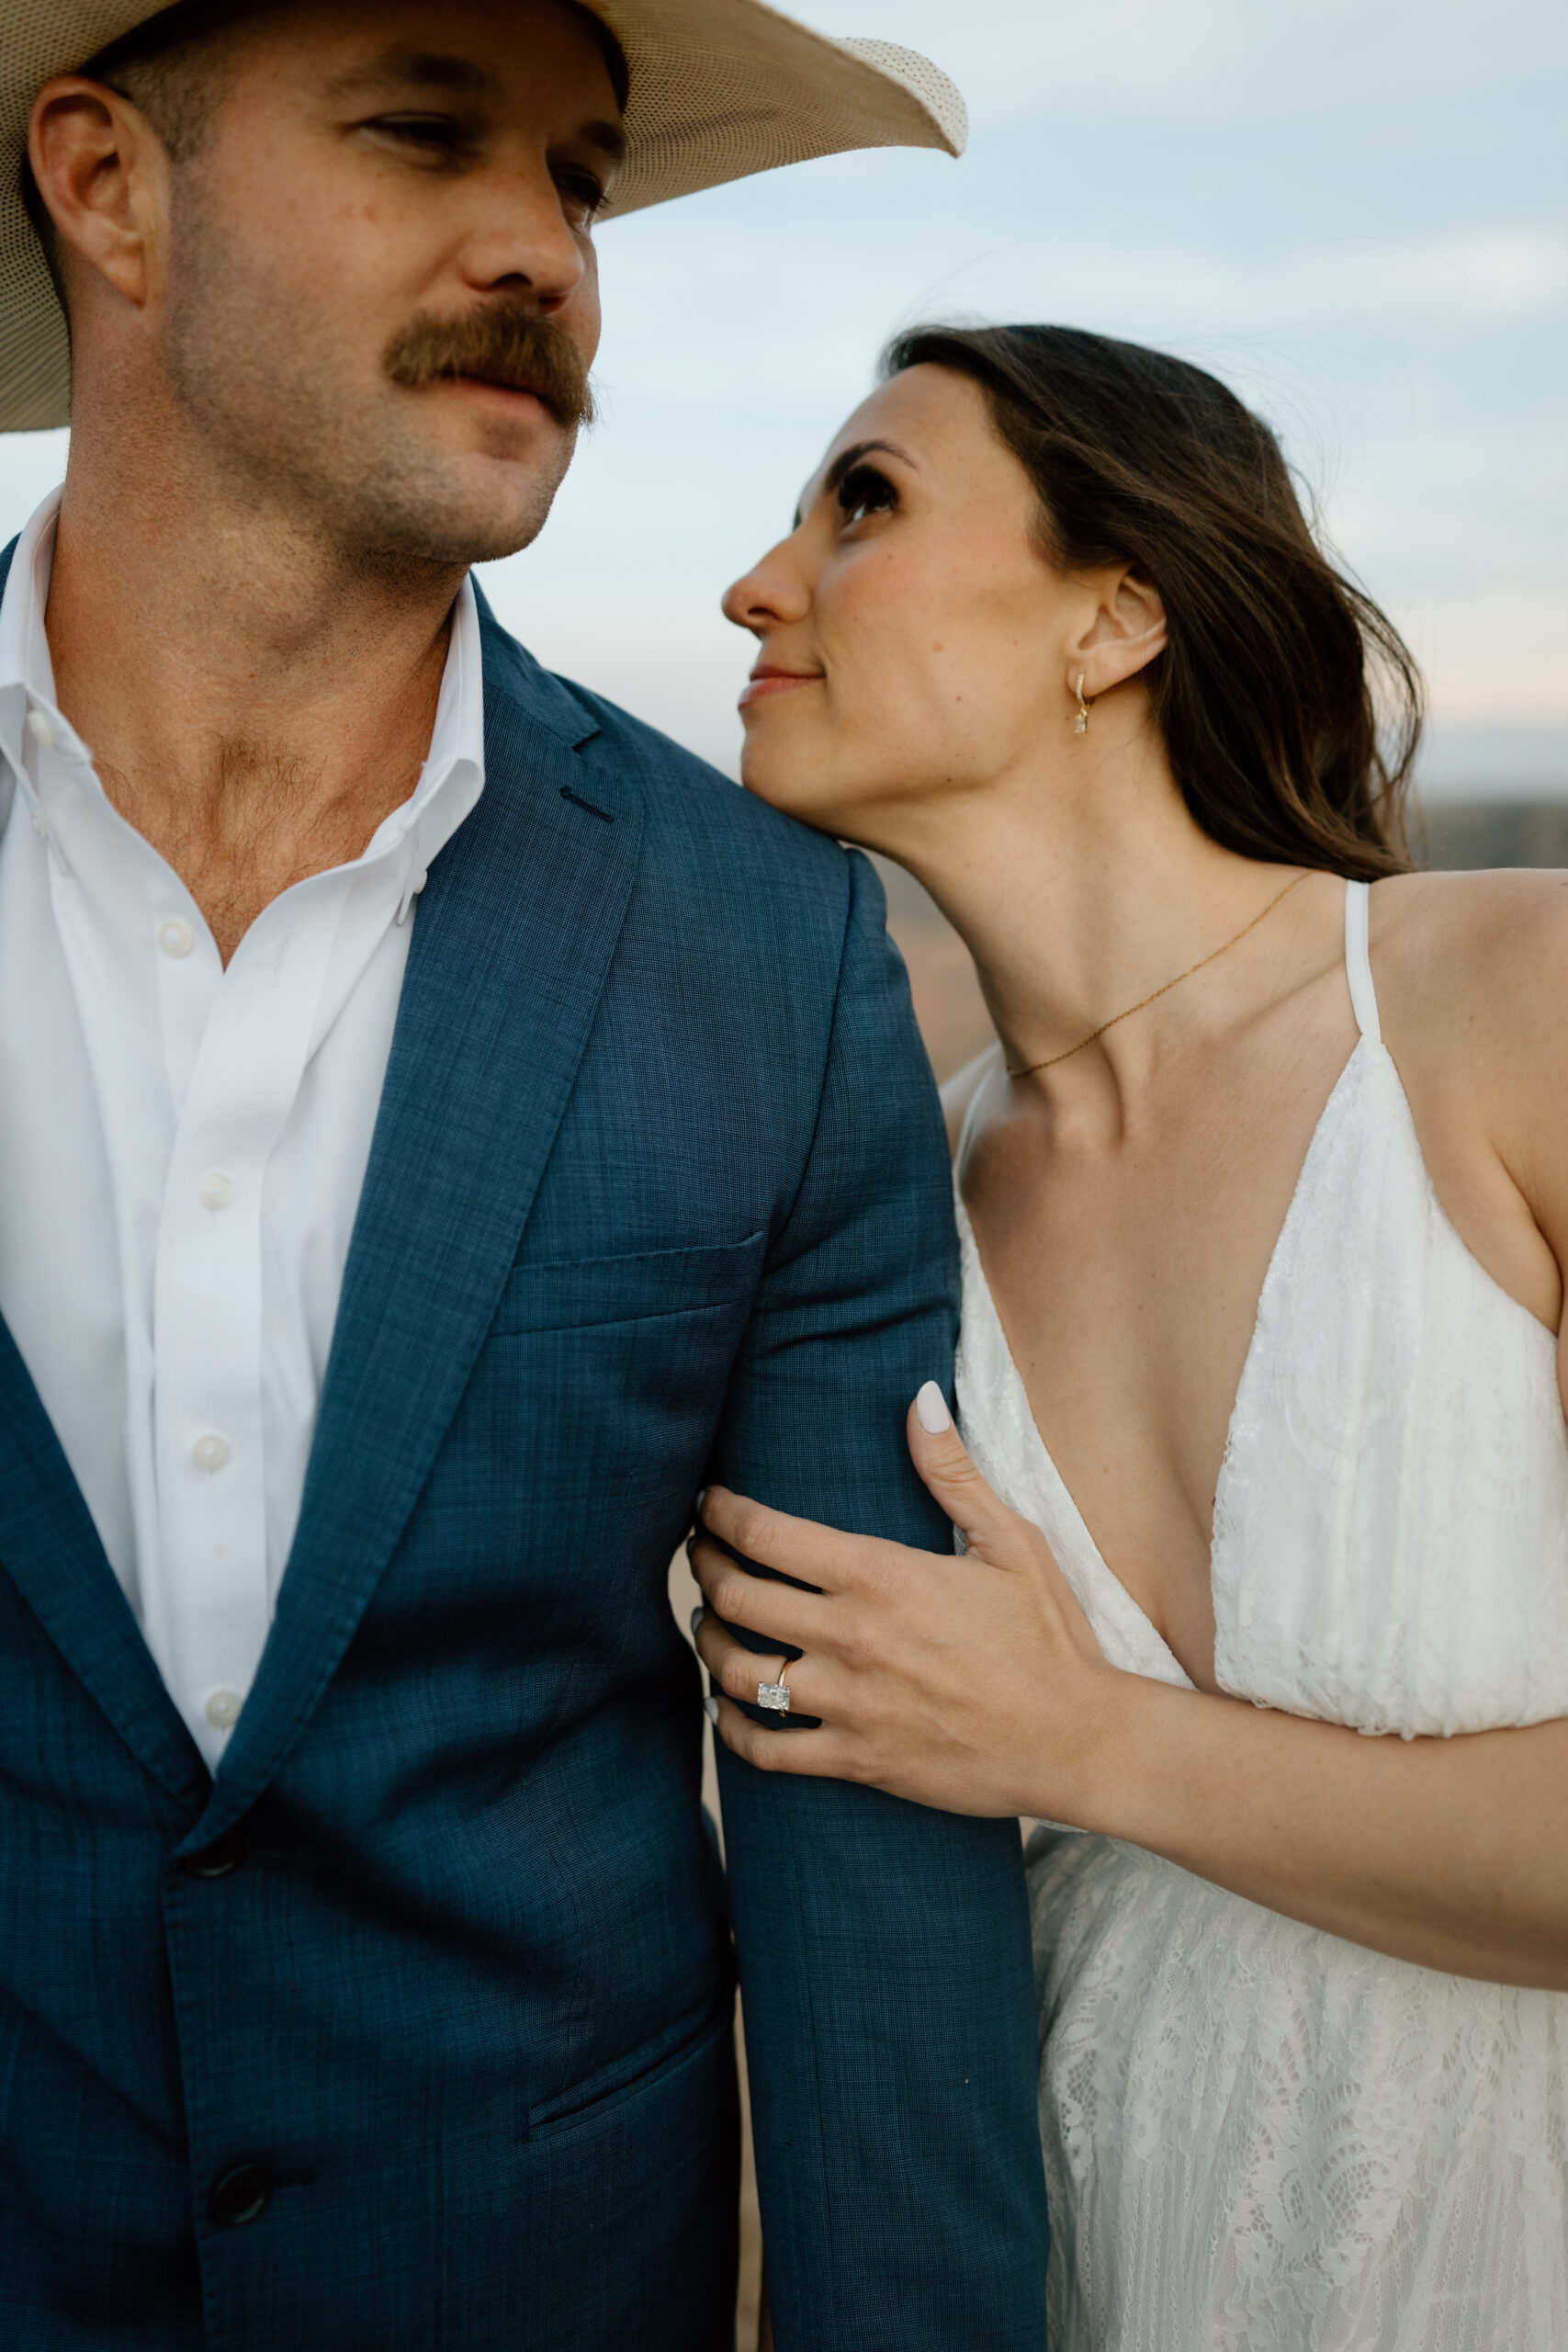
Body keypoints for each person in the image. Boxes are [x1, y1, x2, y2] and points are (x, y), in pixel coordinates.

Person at [0, 7, 1050, 2345]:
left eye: (574, 178)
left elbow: (859, 1795)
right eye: (421, 132)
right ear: (107, 185)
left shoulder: (760, 944)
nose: (545, 254)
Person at [694, 322, 1568, 2348]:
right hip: (1111, 2266)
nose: (758, 581)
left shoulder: (1513, 1003)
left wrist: (1084, 1737)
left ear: (1113, 615)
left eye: (864, 500)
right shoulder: (877, 1221)